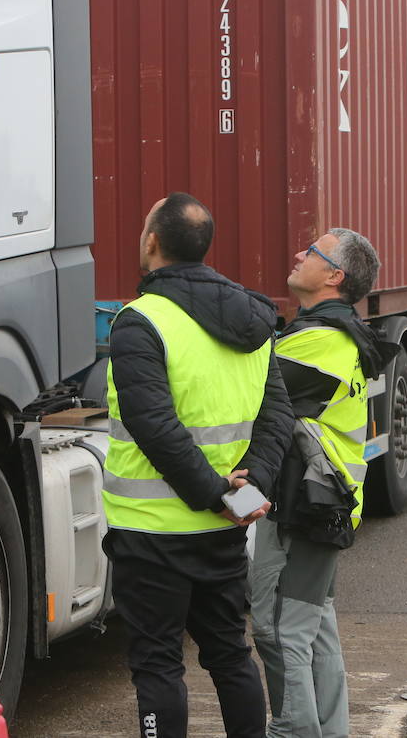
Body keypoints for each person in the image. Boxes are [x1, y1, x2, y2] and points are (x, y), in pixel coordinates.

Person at [102, 192, 294, 738]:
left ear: (153, 242)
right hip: (223, 526)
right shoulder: (252, 320)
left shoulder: (140, 321)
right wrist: (243, 492)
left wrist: (213, 491)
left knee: (159, 665)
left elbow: (152, 425)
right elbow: (276, 413)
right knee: (230, 655)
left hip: (152, 532)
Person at [250, 228, 393, 738]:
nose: (297, 253)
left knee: (279, 627)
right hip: (323, 503)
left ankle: (294, 732)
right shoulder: (333, 335)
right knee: (314, 628)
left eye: (310, 251)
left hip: (306, 505)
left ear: (334, 276)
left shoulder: (324, 341)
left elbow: (248, 393)